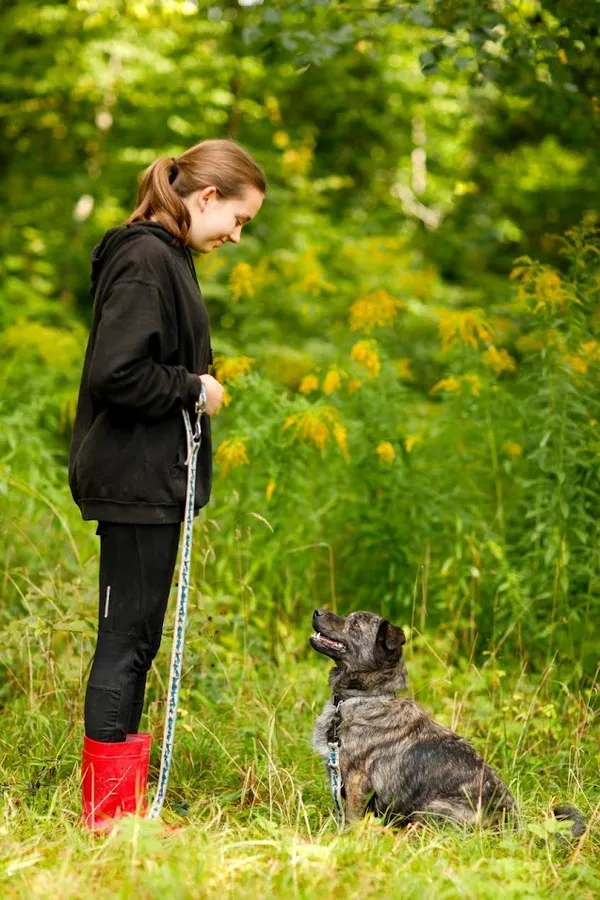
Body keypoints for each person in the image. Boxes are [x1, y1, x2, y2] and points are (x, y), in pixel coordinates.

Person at [68, 138, 265, 830]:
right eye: (238, 220)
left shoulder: (166, 254)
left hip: (153, 481)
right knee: (124, 640)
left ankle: (123, 804)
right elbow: (116, 373)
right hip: (134, 480)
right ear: (206, 197)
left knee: (139, 639)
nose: (237, 236)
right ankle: (108, 816)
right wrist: (195, 387)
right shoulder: (146, 258)